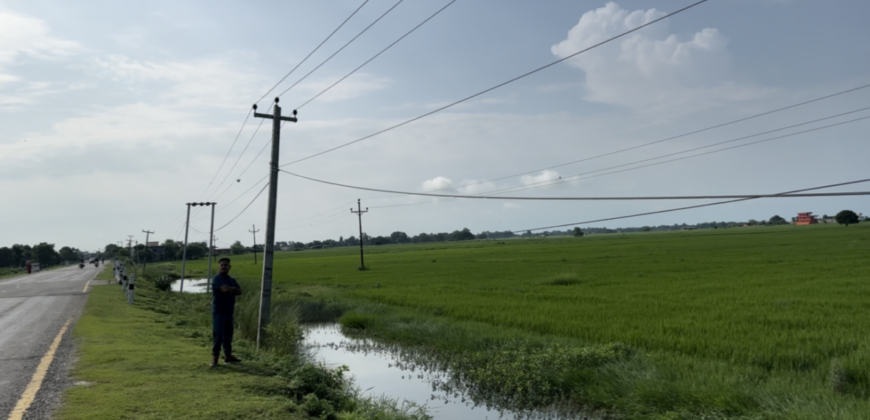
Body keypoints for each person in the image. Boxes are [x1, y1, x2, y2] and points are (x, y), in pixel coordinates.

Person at [211, 257, 243, 367]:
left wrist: (229, 289)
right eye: (222, 265)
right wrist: (231, 289)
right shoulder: (216, 278)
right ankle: (215, 359)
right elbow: (225, 289)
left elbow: (239, 291)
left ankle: (228, 357)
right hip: (219, 311)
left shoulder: (231, 279)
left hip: (229, 311)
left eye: (226, 265)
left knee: (228, 336)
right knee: (218, 335)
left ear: (230, 267)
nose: (224, 266)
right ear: (218, 267)